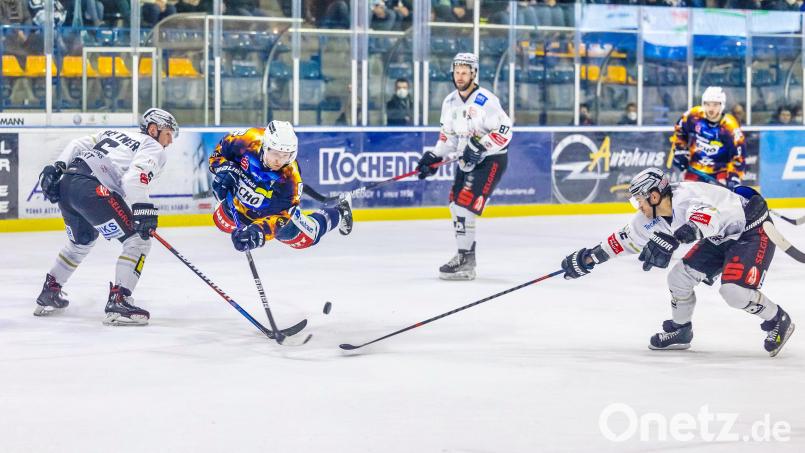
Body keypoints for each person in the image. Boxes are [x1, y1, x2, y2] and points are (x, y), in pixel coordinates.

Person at [560, 168, 795, 357]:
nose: (638, 207)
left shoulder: (687, 199)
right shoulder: (647, 218)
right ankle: (681, 330)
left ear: (654, 196)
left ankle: (778, 319)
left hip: (750, 230)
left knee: (733, 291)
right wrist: (589, 258)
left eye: (638, 201)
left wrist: (674, 239)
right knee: (678, 278)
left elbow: (706, 222)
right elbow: (625, 240)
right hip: (719, 236)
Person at [34, 108, 179, 326]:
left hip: (68, 184)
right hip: (94, 189)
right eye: (168, 133)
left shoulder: (112, 133)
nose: (170, 141)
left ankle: (50, 291)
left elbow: (77, 145)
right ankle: (119, 301)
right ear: (153, 129)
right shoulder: (153, 146)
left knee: (80, 242)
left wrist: (56, 167)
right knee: (137, 241)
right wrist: (143, 209)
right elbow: (132, 180)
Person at [416, 52, 512, 280]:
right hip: (465, 160)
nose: (460, 76)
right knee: (455, 205)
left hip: (491, 160)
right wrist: (433, 157)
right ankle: (465, 256)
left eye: (465, 72)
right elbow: (448, 139)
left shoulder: (486, 100)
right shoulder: (449, 102)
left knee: (465, 206)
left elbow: (506, 131)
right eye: (457, 72)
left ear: (474, 73)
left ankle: (466, 260)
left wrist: (481, 145)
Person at [209, 120, 353, 254]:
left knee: (308, 238)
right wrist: (223, 169)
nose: (279, 160)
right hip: (239, 205)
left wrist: (258, 231)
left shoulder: (291, 178)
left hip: (270, 211)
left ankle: (341, 211)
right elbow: (218, 154)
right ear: (265, 146)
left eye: (286, 155)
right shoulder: (247, 140)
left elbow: (281, 217)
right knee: (221, 222)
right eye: (275, 153)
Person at [671, 86, 745, 189]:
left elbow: (739, 154)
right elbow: (680, 128)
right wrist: (680, 150)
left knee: (719, 203)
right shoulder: (694, 115)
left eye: (715, 105)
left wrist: (734, 175)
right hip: (695, 169)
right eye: (707, 104)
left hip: (720, 172)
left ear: (722, 105)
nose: (711, 108)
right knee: (688, 200)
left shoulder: (730, 126)